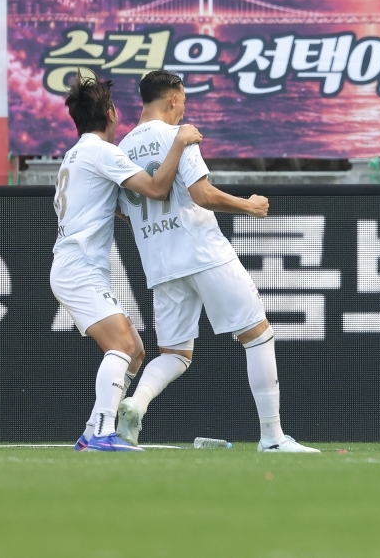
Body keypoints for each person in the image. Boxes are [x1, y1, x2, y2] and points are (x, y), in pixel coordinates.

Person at [113, 70, 318, 454]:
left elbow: (123, 213)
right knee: (257, 334)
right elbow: (202, 194)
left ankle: (135, 404)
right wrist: (249, 205)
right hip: (202, 251)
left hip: (159, 263)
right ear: (172, 99)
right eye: (183, 102)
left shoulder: (120, 149)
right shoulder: (180, 134)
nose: (183, 110)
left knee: (175, 355)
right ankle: (272, 438)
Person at [51, 75, 202, 452]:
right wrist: (180, 141)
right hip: (79, 268)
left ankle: (91, 430)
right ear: (112, 113)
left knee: (135, 352)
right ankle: (103, 432)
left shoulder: (75, 155)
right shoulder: (103, 152)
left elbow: (116, 207)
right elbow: (155, 188)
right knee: (120, 344)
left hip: (76, 266)